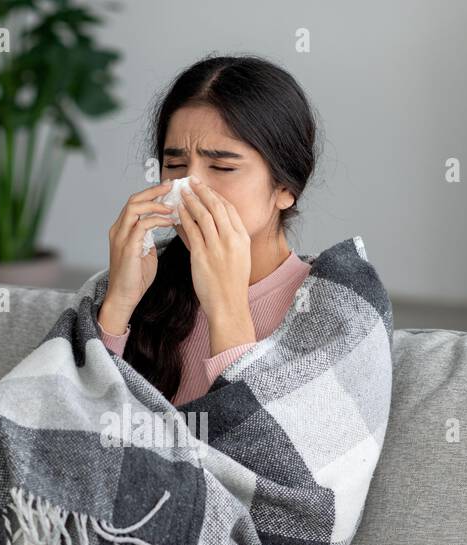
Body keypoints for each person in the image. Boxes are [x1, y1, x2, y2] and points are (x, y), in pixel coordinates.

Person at [97, 55, 318, 405]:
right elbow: (72, 423)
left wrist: (226, 306)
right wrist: (117, 307)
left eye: (222, 166)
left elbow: (270, 453)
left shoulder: (327, 311)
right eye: (175, 165)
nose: (189, 186)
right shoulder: (141, 282)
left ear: (285, 188)